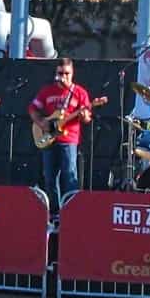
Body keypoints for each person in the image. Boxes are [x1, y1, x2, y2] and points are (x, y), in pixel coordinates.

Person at [29, 58, 95, 216]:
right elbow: (33, 108)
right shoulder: (47, 91)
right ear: (56, 74)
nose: (64, 76)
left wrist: (85, 115)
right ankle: (54, 212)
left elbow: (86, 118)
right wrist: (41, 122)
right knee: (50, 177)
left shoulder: (79, 93)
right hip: (49, 138)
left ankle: (72, 211)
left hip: (69, 139)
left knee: (69, 174)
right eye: (60, 73)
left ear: (72, 74)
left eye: (67, 73)